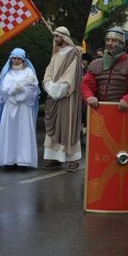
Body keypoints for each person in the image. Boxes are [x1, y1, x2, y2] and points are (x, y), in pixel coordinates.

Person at [42, 27, 83, 171]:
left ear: (64, 37)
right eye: (54, 36)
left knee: (68, 127)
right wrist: (49, 85)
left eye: (57, 36)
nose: (55, 39)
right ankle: (54, 158)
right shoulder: (55, 55)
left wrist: (57, 89)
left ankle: (73, 159)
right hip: (53, 97)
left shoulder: (74, 55)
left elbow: (69, 78)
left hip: (67, 97)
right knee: (54, 128)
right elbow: (48, 73)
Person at [82, 26, 128, 111]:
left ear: (122, 43)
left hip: (123, 112)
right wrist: (89, 96)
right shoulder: (96, 63)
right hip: (98, 110)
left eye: (114, 40)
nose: (109, 43)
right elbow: (86, 84)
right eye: (108, 40)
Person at [0, 48, 39, 169]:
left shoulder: (29, 72)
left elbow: (33, 88)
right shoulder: (7, 73)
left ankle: (23, 160)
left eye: (18, 58)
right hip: (10, 107)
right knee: (9, 132)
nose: (15, 60)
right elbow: (2, 88)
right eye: (13, 58)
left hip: (23, 107)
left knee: (23, 132)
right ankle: (8, 160)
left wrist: (22, 92)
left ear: (23, 59)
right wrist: (13, 90)